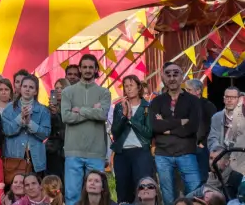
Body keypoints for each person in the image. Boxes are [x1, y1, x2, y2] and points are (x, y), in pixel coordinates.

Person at [61, 55, 112, 205]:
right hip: (73, 150)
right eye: (85, 67)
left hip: (96, 151)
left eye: (91, 67)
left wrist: (81, 110)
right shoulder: (68, 92)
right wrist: (92, 111)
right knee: (72, 195)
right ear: (80, 69)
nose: (88, 70)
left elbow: (102, 114)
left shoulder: (104, 93)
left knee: (98, 194)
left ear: (96, 69)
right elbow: (66, 117)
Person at [149, 62, 201, 205]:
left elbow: (192, 127)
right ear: (163, 77)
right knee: (168, 196)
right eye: (168, 74)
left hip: (186, 152)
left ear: (182, 76)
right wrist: (180, 122)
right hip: (163, 154)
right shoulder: (157, 101)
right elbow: (154, 126)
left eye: (175, 74)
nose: (172, 78)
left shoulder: (193, 101)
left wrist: (167, 127)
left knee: (195, 192)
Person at [110, 75, 154, 204]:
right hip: (122, 153)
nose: (128, 89)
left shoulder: (147, 107)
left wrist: (131, 119)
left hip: (141, 151)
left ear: (139, 87)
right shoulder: (119, 107)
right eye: (126, 86)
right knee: (123, 189)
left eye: (131, 85)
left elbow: (148, 133)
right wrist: (124, 116)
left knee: (142, 188)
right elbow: (115, 132)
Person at [2, 74, 51, 183]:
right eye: (25, 86)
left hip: (35, 158)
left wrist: (30, 123)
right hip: (14, 157)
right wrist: (20, 119)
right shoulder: (9, 109)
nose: (27, 89)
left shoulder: (43, 110)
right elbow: (6, 130)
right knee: (15, 189)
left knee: (34, 189)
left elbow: (46, 133)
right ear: (20, 88)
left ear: (35, 91)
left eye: (31, 87)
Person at [185, 80, 217, 185]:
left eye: (188, 90)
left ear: (198, 91)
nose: (186, 92)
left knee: (202, 177)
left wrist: (203, 143)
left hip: (202, 148)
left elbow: (214, 127)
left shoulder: (208, 105)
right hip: (187, 147)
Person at [47, 80, 68, 181]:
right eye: (56, 88)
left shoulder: (70, 109)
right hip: (52, 150)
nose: (59, 90)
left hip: (67, 149)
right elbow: (49, 129)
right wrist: (53, 114)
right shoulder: (49, 109)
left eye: (62, 88)